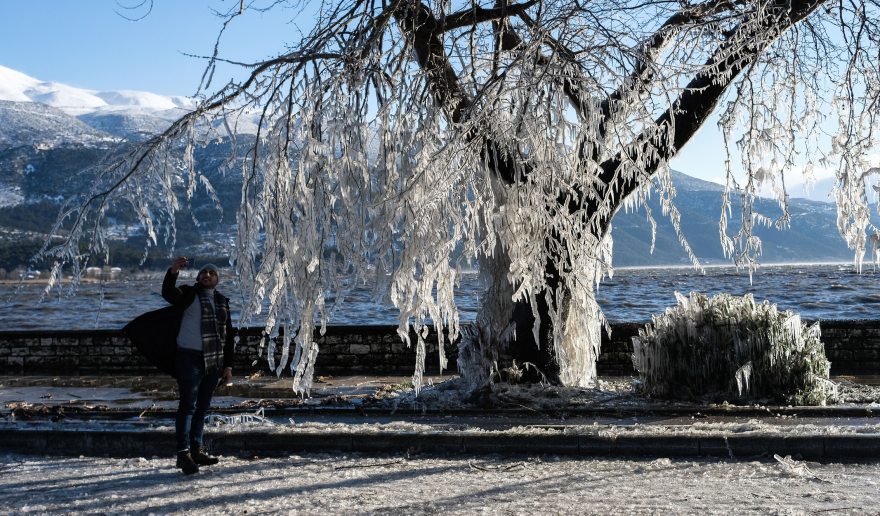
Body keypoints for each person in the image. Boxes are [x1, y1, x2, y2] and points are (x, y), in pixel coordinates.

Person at [162, 257, 235, 475]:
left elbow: (228, 336)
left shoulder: (222, 301)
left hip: (214, 361)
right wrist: (173, 271)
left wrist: (228, 366)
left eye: (211, 273)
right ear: (198, 277)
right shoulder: (188, 294)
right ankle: (183, 454)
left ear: (217, 279)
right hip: (189, 358)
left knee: (202, 407)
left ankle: (196, 449)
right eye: (204, 273)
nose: (207, 275)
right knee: (187, 406)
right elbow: (168, 294)